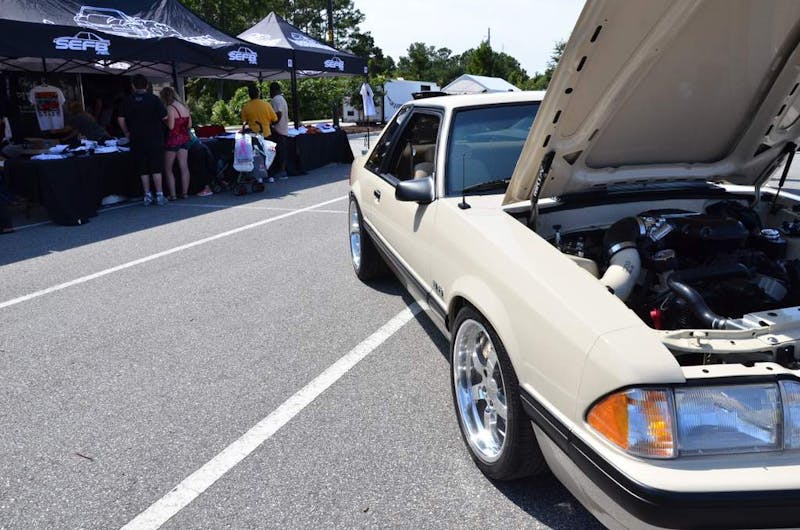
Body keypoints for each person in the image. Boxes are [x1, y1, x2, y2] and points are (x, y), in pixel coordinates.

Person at [118, 74, 168, 206]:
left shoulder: (127, 100)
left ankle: (147, 195)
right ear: (147, 85)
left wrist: (127, 132)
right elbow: (165, 117)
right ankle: (160, 195)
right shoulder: (154, 99)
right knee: (156, 167)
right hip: (155, 137)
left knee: (143, 168)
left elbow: (121, 119)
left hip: (137, 138)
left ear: (133, 86)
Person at [158, 87, 212, 199]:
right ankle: (185, 193)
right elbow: (189, 125)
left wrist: (164, 120)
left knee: (168, 168)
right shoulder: (184, 107)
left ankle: (173, 195)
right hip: (185, 138)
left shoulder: (170, 108)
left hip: (173, 140)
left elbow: (171, 126)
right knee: (184, 166)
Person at [268, 82, 289, 180]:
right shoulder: (282, 98)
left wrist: (272, 124)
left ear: (273, 91)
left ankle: (282, 172)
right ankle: (282, 171)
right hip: (283, 129)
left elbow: (278, 114)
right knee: (282, 152)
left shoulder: (276, 99)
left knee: (280, 152)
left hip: (278, 130)